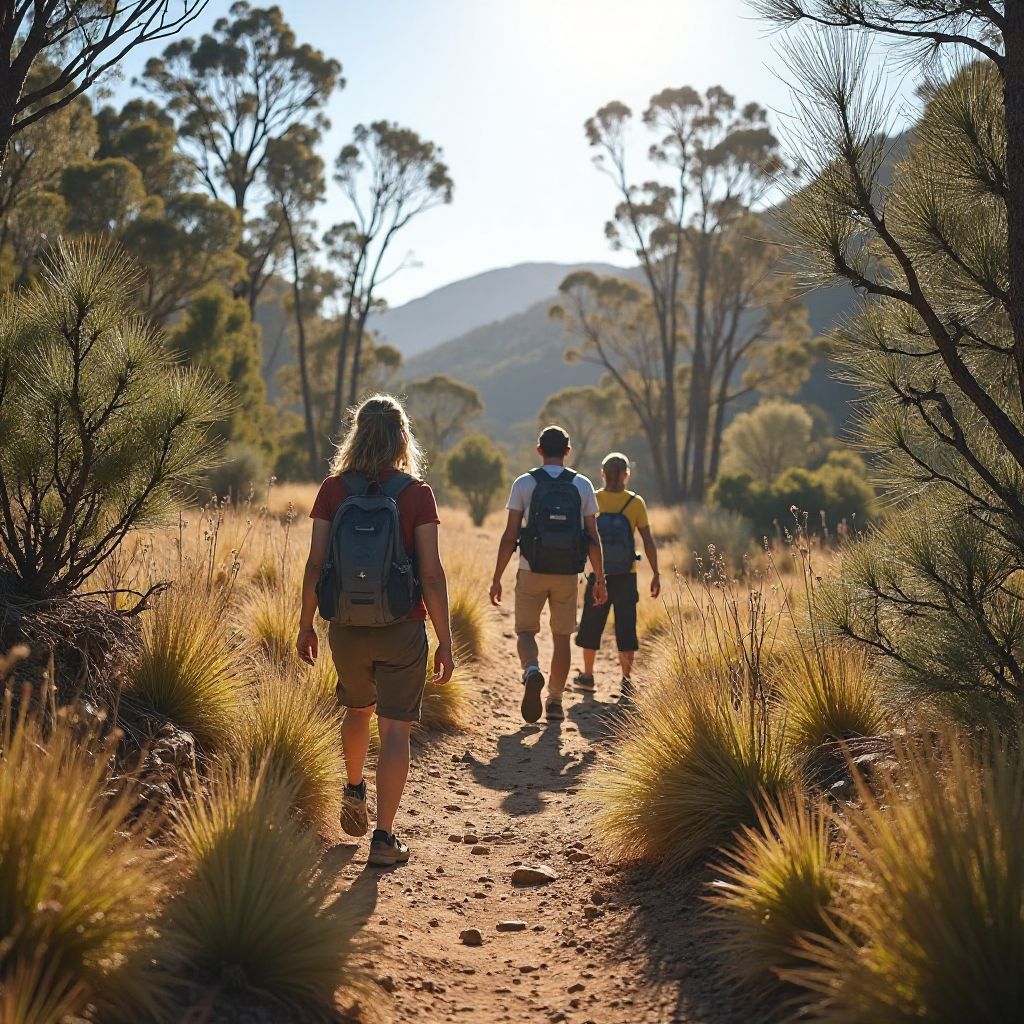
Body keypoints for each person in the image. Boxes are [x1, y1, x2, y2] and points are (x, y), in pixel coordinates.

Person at [297, 394, 455, 867]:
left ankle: (352, 787)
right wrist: (445, 640)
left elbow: (315, 563)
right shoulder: (416, 493)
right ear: (403, 438)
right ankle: (383, 840)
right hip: (401, 629)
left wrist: (305, 624)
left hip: (345, 627)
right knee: (395, 732)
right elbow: (431, 574)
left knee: (356, 711)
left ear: (357, 434)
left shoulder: (332, 490)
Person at [490, 425, 607, 724]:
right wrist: (600, 579)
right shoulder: (582, 485)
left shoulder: (524, 483)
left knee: (526, 632)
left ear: (539, 449)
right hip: (568, 573)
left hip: (531, 569)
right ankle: (555, 701)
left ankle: (531, 670)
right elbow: (593, 536)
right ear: (568, 451)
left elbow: (509, 535)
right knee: (561, 638)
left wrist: (497, 577)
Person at [573, 452, 660, 700]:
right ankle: (626, 680)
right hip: (625, 575)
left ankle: (588, 676)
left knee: (591, 623)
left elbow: (583, 536)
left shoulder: (593, 499)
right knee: (625, 625)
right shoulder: (635, 503)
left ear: (602, 474)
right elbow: (648, 540)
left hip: (598, 572)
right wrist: (656, 573)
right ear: (626, 475)